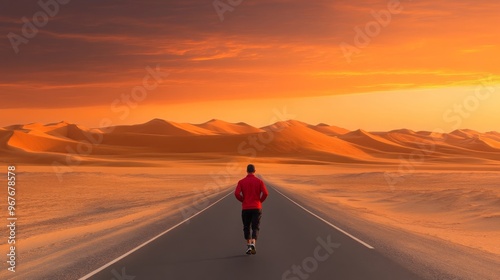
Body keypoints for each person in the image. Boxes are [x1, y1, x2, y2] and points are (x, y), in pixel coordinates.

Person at [234, 164, 269, 255]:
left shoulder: (241, 182)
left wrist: (243, 200)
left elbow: (237, 194)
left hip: (246, 207)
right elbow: (265, 193)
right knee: (255, 227)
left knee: (246, 227)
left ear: (247, 171)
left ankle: (249, 245)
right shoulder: (259, 181)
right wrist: (259, 201)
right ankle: (253, 243)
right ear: (254, 171)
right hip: (257, 207)